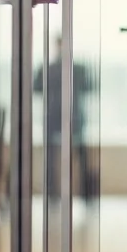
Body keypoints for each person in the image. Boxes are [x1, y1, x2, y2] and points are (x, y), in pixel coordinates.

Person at [33, 35, 95, 199]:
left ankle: (75, 192)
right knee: (55, 156)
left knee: (73, 155)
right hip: (65, 117)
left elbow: (37, 89)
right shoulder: (76, 68)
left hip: (65, 117)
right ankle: (57, 192)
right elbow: (90, 88)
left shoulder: (50, 68)